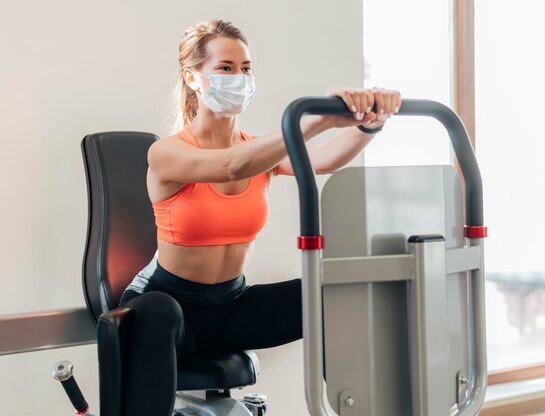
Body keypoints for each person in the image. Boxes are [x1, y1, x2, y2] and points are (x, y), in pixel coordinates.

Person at [117, 19, 401, 414]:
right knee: (156, 310)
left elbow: (325, 159)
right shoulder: (166, 153)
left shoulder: (259, 151)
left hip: (230, 307)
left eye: (246, 68)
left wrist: (370, 124)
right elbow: (232, 166)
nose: (239, 77)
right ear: (193, 78)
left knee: (327, 292)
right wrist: (315, 120)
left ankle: (357, 408)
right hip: (168, 309)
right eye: (226, 68)